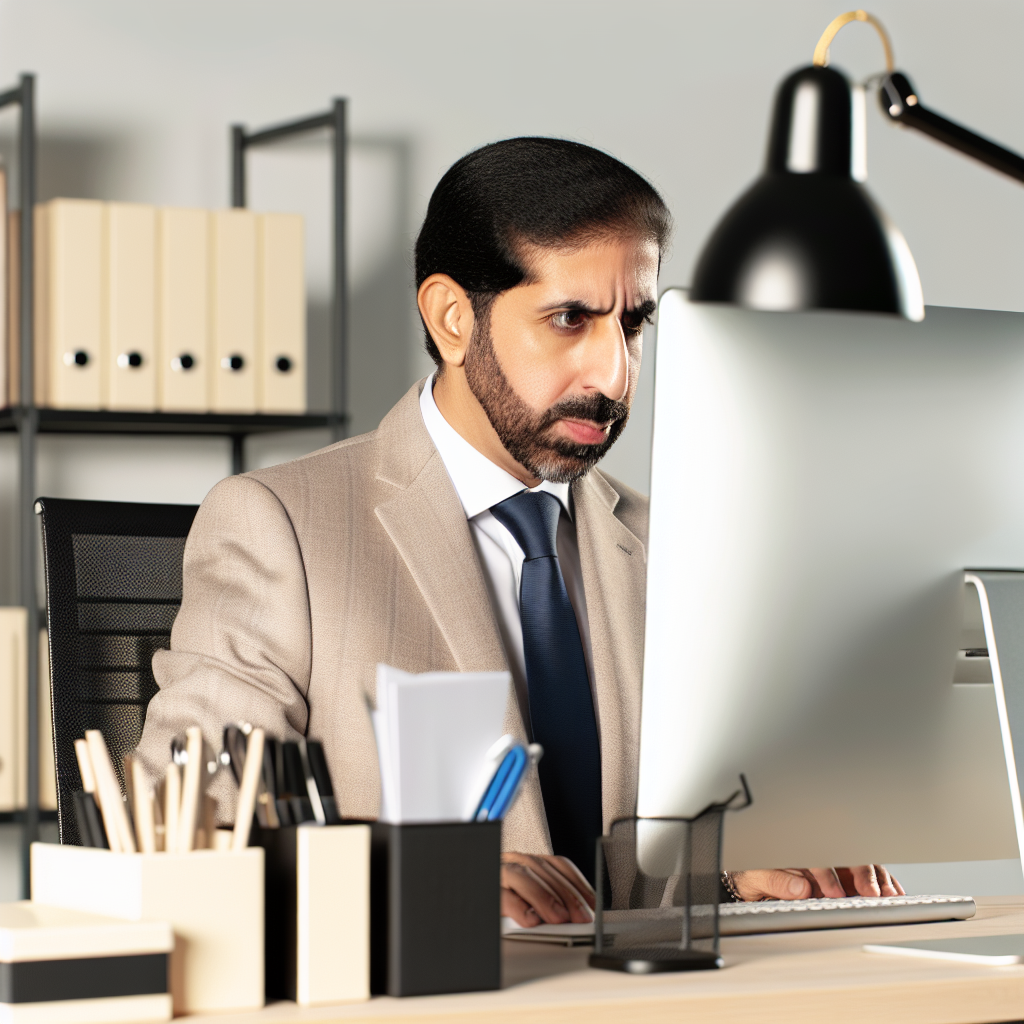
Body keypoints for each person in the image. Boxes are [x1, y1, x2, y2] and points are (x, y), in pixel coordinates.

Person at [136, 137, 903, 926]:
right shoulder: (280, 529)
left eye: (632, 326)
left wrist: (744, 876)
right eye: (570, 319)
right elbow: (180, 830)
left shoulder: (671, 549)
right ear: (452, 317)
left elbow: (643, 887)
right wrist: (417, 874)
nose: (612, 374)